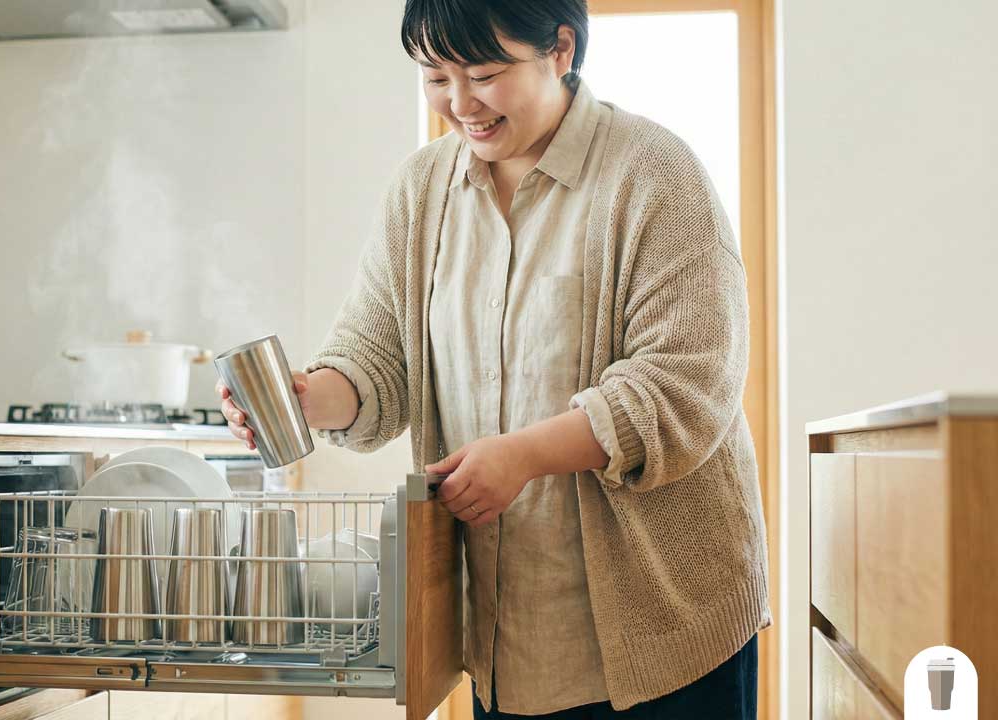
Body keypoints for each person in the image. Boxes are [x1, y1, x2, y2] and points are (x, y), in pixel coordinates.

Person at [217, 1, 770, 717]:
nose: (459, 103)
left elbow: (685, 384)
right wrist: (307, 397)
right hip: (506, 637)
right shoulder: (421, 191)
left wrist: (524, 456)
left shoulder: (654, 172)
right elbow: (375, 354)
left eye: (482, 74)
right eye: (435, 78)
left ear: (561, 49)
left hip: (665, 626)